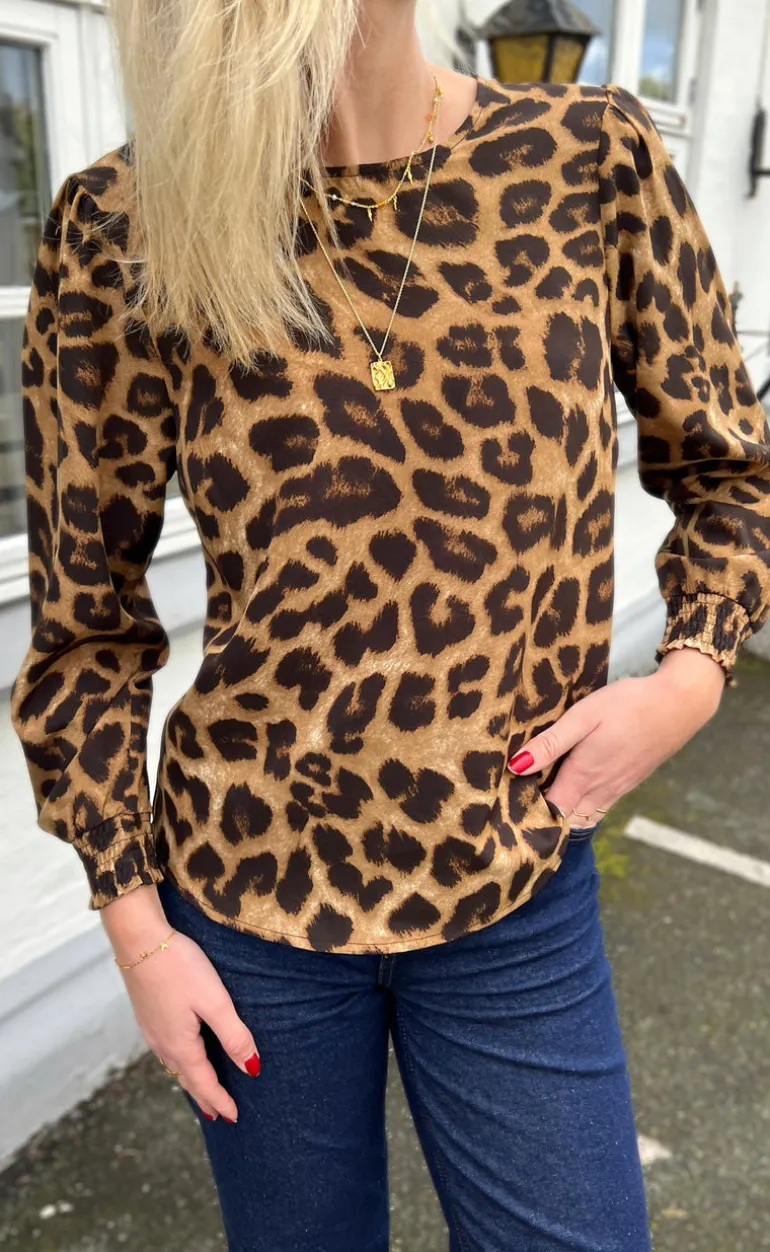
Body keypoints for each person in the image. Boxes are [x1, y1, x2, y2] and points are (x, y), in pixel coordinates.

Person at [10, 1, 770, 1249]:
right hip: (246, 902)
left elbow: (730, 471)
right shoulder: (129, 221)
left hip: (512, 880)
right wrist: (138, 933)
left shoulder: (587, 157)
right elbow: (85, 628)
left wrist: (686, 677)